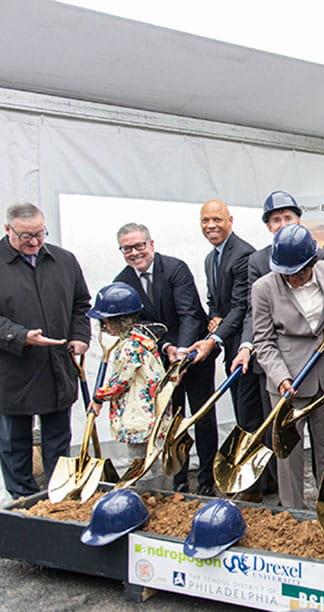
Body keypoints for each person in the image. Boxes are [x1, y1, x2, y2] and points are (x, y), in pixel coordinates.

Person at [252, 223, 324, 509]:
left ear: (312, 262)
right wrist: (281, 379)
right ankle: (293, 515)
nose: (294, 280)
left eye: (299, 272)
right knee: (289, 455)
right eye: (287, 274)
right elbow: (262, 341)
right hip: (289, 381)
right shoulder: (263, 288)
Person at [113, 223, 218, 496]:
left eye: (139, 246)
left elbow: (190, 314)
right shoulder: (122, 282)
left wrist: (182, 353)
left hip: (194, 356)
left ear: (151, 243)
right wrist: (167, 348)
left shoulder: (175, 269)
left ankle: (207, 479)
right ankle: (178, 480)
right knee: (171, 421)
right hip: (160, 363)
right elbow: (137, 327)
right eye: (127, 248)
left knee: (202, 418)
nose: (135, 252)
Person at [0, 203, 91, 499]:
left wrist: (79, 336)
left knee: (58, 440)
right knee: (15, 443)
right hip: (12, 370)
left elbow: (81, 304)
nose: (35, 242)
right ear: (7, 230)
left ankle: (59, 497)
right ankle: (22, 501)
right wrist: (21, 335)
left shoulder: (64, 260)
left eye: (40, 234)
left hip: (57, 367)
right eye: (26, 236)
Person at [184, 199, 264, 501]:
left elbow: (243, 306)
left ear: (230, 220)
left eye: (217, 219)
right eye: (205, 221)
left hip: (247, 346)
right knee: (242, 410)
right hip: (229, 347)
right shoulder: (210, 258)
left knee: (248, 417)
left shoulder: (243, 254)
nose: (211, 226)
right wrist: (215, 320)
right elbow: (216, 302)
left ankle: (253, 488)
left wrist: (215, 335)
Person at [86, 282, 168, 490]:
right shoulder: (144, 338)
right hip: (153, 414)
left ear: (119, 320)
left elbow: (120, 381)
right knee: (154, 458)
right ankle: (159, 494)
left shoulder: (129, 347)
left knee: (141, 463)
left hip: (139, 415)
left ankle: (149, 497)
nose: (103, 327)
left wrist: (98, 398)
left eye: (105, 322)